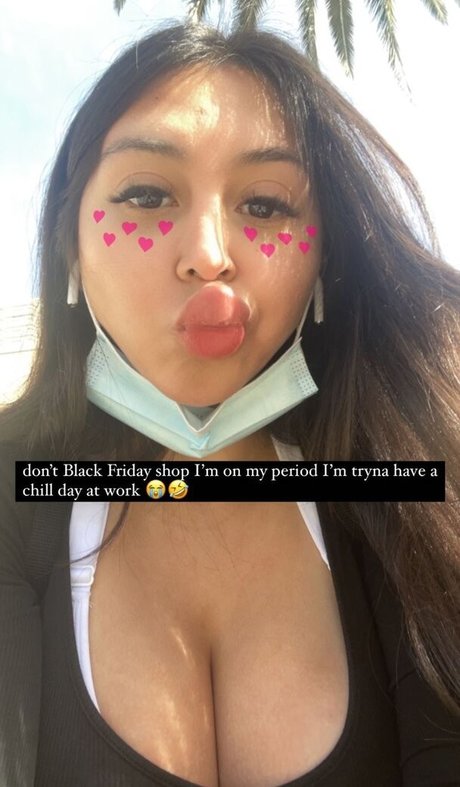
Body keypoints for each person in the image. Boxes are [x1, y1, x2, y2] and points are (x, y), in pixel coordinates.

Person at [0, 22, 459, 787]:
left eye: (267, 204)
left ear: (322, 264)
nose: (210, 255)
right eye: (146, 194)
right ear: (70, 249)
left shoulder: (404, 509)